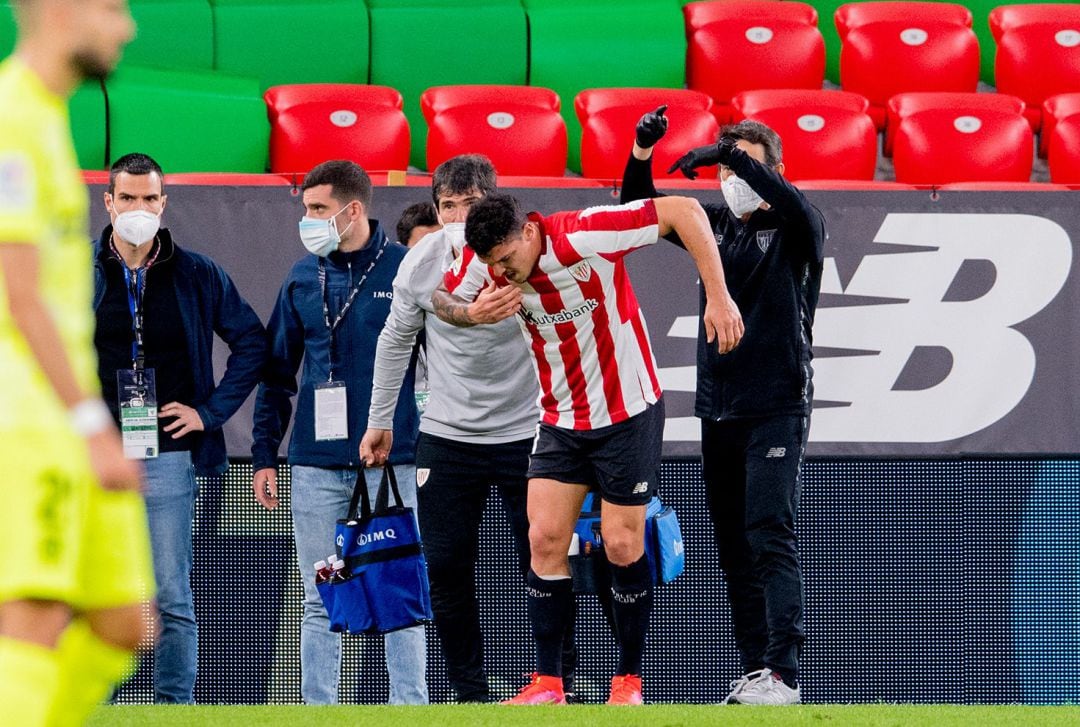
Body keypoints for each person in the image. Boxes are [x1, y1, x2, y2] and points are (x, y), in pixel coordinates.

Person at [437, 192, 743, 705]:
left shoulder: (583, 233)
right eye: (493, 265)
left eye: (508, 260)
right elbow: (441, 301)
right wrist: (471, 313)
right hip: (560, 418)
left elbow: (685, 210)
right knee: (544, 539)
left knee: (622, 543)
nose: (502, 273)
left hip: (627, 412)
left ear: (529, 233)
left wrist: (718, 294)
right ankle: (549, 682)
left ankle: (628, 680)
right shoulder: (482, 257)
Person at [359, 154, 582, 702]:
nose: (458, 217)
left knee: (547, 555)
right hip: (448, 434)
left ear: (494, 205)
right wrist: (379, 420)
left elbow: (579, 333)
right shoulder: (421, 263)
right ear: (436, 210)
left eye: (470, 204)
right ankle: (468, 693)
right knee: (446, 565)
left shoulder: (532, 254)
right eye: (448, 206)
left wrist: (576, 420)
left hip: (530, 432)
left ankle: (557, 683)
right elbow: (394, 342)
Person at [622, 108, 825, 705]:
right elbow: (640, 211)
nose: (731, 181)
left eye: (746, 169)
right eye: (725, 170)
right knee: (733, 543)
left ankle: (784, 673)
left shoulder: (798, 225)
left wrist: (727, 153)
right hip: (719, 406)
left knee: (769, 530)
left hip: (777, 403)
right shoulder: (715, 225)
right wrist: (641, 150)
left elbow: (792, 205)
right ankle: (755, 668)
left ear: (776, 172)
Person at [0, 1, 156, 726]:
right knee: (30, 613)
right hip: (29, 419)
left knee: (126, 622)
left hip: (65, 416)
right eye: (112, 8)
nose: (124, 28)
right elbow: (17, 290)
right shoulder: (11, 117)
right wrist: (91, 421)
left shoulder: (49, 118)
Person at [91, 152, 266, 702]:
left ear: (164, 204)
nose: (138, 208)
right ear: (108, 202)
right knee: (99, 589)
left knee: (169, 591)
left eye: (148, 199)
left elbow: (251, 342)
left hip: (170, 454)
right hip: (98, 455)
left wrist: (209, 412)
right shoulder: (79, 271)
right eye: (128, 198)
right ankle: (95, 703)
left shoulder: (197, 273)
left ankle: (174, 708)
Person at [250, 160, 427, 705]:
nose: (308, 219)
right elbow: (277, 374)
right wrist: (264, 456)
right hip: (314, 463)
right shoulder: (303, 276)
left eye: (318, 209)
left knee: (397, 589)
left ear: (353, 211)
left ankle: (410, 711)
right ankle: (318, 711)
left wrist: (433, 444)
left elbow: (441, 364)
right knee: (318, 593)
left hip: (391, 460)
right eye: (306, 208)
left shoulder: (404, 268)